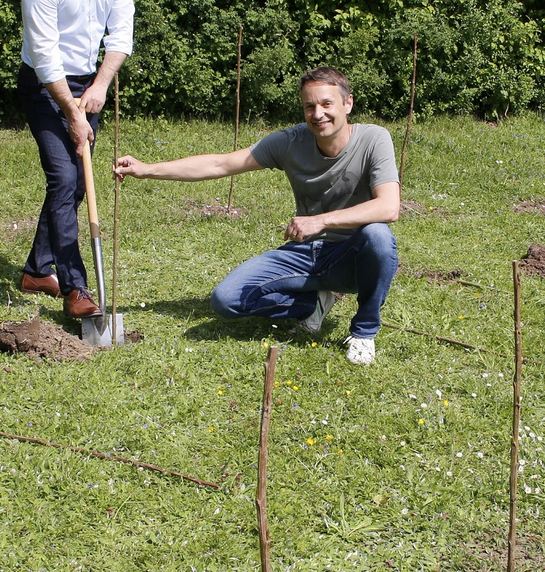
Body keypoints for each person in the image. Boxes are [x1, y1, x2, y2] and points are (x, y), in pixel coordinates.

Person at [114, 66, 400, 365]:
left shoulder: (374, 139)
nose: (318, 114)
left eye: (327, 104)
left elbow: (388, 208)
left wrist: (321, 220)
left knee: (377, 236)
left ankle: (364, 331)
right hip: (306, 253)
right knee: (225, 300)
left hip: (352, 258)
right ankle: (310, 304)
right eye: (309, 106)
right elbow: (219, 165)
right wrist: (147, 169)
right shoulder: (290, 142)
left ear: (347, 104)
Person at [17, 0, 133, 318]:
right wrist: (71, 112)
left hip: (89, 83)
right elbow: (45, 56)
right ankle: (76, 287)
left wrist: (100, 86)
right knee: (65, 179)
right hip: (45, 84)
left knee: (79, 184)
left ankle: (35, 271)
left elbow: (120, 36)